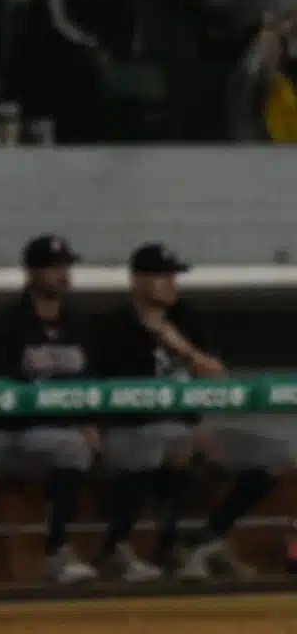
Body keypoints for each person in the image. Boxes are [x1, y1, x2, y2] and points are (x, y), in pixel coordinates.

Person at [93, 243, 292, 579]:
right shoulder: (114, 327)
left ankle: (206, 540)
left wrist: (178, 345)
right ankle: (146, 548)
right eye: (162, 276)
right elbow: (103, 395)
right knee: (174, 439)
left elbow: (218, 378)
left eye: (174, 276)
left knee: (275, 453)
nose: (172, 283)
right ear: (139, 281)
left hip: (187, 429)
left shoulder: (186, 318)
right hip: (130, 433)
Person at [0, 234, 101, 585]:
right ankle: (56, 551)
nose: (62, 274)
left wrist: (89, 422)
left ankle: (116, 551)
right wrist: (74, 424)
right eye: (53, 267)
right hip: (11, 437)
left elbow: (93, 383)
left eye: (66, 267)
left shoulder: (79, 325)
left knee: (118, 451)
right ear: (31, 273)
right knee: (70, 447)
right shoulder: (5, 325)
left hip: (64, 434)